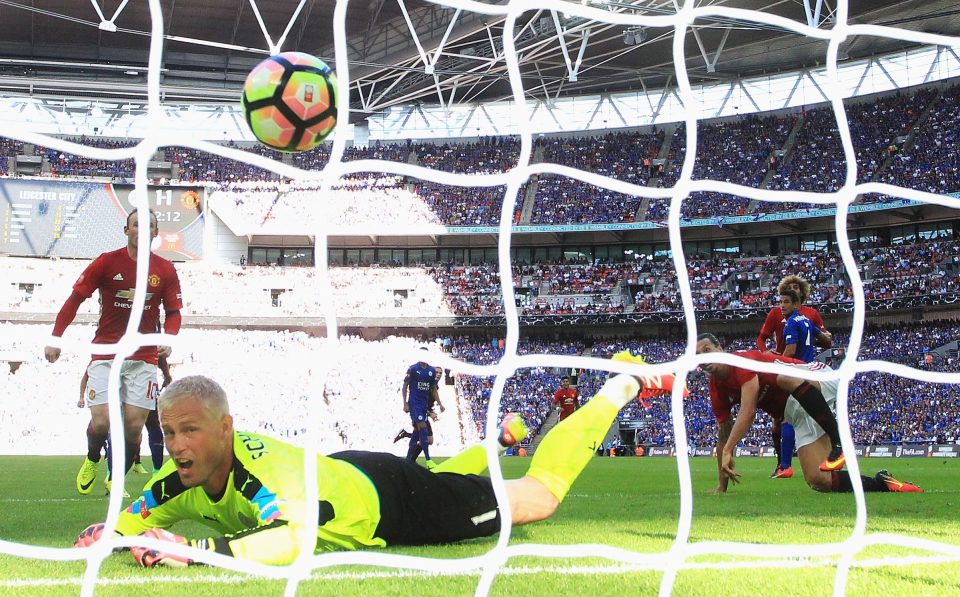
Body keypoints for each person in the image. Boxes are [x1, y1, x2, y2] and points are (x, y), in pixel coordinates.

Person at [76, 371, 657, 566]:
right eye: (169, 431)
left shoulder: (265, 478)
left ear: (226, 428)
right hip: (347, 475)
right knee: (451, 479)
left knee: (540, 496)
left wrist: (195, 553)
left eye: (190, 430)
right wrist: (110, 536)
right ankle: (499, 438)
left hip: (395, 503)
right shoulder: (172, 480)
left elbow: (293, 537)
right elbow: (134, 518)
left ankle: (619, 388)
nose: (175, 444)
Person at [46, 209, 183, 495]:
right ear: (126, 230)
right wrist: (56, 338)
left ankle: (116, 476)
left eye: (149, 226)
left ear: (155, 233)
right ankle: (93, 458)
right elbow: (75, 299)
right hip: (106, 353)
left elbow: (173, 313)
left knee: (134, 428)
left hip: (143, 358)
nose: (142, 229)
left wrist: (169, 338)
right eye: (136, 225)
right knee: (101, 421)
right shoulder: (107, 262)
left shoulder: (166, 270)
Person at [695, 333, 921, 494]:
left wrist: (727, 449)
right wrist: (722, 486)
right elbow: (723, 434)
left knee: (784, 377)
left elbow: (748, 410)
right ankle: (883, 484)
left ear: (721, 349)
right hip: (798, 411)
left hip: (814, 379)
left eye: (707, 350)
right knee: (818, 480)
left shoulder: (740, 360)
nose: (704, 357)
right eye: (698, 355)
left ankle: (839, 441)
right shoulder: (716, 389)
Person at [756, 275, 834, 479]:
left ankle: (785, 465)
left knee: (787, 416)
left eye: (796, 288)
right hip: (793, 366)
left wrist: (778, 359)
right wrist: (766, 354)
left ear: (801, 294)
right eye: (788, 289)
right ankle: (783, 463)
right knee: (780, 420)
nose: (792, 291)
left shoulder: (809, 314)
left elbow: (825, 341)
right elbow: (761, 337)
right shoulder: (778, 313)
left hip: (791, 367)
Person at [401, 348, 443, 468]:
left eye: (441, 373)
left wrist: (440, 404)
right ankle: (428, 460)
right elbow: (405, 385)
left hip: (423, 406)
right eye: (438, 372)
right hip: (414, 404)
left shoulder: (431, 372)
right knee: (423, 430)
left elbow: (433, 390)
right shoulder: (413, 369)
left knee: (419, 435)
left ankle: (408, 461)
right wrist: (405, 403)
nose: (438, 374)